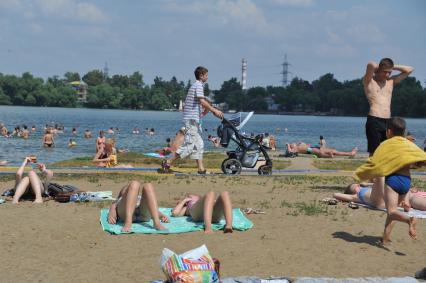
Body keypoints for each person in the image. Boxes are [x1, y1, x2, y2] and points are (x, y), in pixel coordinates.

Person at [355, 117, 426, 245]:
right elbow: (420, 156)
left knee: (391, 211)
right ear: (404, 131)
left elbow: (374, 161)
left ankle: (409, 220)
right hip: (406, 181)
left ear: (388, 132)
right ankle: (385, 238)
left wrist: (361, 173)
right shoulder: (409, 144)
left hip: (393, 180)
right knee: (392, 212)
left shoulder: (386, 145)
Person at [161, 66, 224, 174]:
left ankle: (201, 169)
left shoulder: (196, 86)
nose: (208, 77)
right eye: (206, 75)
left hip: (193, 120)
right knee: (189, 145)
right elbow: (202, 102)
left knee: (199, 144)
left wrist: (207, 111)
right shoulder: (198, 85)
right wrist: (214, 110)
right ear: (201, 75)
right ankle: (168, 161)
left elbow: (196, 107)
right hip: (191, 121)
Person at [363, 58, 414, 156]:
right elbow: (371, 65)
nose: (387, 75)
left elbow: (409, 69)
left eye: (389, 72)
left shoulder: (390, 82)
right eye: (385, 72)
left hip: (389, 122)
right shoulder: (369, 82)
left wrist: (391, 67)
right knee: (375, 152)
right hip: (374, 120)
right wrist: (382, 66)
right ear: (378, 70)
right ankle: (372, 170)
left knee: (389, 150)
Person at [286, 142, 357, 158]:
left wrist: (302, 143)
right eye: (292, 144)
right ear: (292, 147)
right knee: (333, 152)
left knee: (334, 151)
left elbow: (307, 146)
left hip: (318, 149)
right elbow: (289, 152)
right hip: (317, 151)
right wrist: (288, 145)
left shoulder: (299, 146)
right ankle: (329, 156)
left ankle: (350, 153)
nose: (293, 143)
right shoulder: (296, 149)